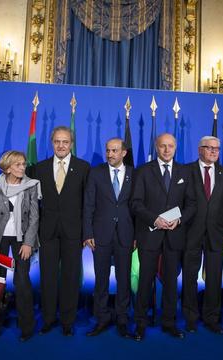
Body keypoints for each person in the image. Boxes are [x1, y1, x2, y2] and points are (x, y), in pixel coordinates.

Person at [130, 133, 196, 341]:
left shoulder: (185, 171)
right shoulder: (143, 171)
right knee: (145, 282)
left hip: (175, 236)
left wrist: (180, 219)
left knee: (170, 282)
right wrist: (154, 219)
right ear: (156, 147)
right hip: (150, 236)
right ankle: (140, 323)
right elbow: (136, 203)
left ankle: (169, 323)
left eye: (170, 146)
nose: (167, 150)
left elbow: (192, 204)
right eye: (162, 146)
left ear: (176, 148)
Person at [27, 126, 90, 336]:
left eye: (65, 142)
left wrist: (86, 232)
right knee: (48, 276)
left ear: (71, 144)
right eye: (57, 142)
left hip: (74, 232)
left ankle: (67, 320)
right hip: (47, 231)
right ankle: (48, 318)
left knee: (71, 277)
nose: (61, 146)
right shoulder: (40, 168)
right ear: (52, 143)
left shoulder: (83, 167)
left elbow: (88, 203)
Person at [182, 136, 223, 334]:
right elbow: (178, 201)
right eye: (209, 148)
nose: (213, 151)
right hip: (190, 233)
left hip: (217, 234)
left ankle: (211, 318)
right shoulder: (186, 171)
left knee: (214, 278)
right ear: (199, 150)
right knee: (189, 277)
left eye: (217, 149)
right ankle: (190, 318)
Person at [0, 151, 40, 341]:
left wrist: (28, 243)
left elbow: (34, 218)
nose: (22, 168)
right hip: (0, 239)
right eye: (18, 165)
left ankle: (26, 327)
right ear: (7, 167)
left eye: (24, 164)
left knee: (22, 282)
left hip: (21, 239)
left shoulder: (31, 185)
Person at [82, 138, 134, 338]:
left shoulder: (133, 174)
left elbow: (136, 207)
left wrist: (136, 235)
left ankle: (122, 319)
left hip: (126, 235)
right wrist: (88, 233)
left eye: (114, 150)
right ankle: (101, 318)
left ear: (124, 153)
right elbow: (88, 205)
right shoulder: (96, 173)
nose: (110, 154)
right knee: (101, 280)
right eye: (108, 150)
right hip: (100, 235)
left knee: (124, 280)